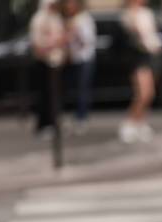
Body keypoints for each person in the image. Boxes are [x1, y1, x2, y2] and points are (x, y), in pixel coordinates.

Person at [119, 0, 161, 143]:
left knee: (150, 93)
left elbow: (152, 34)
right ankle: (129, 123)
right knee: (143, 93)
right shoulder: (128, 14)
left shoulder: (147, 13)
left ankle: (140, 122)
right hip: (137, 57)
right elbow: (133, 32)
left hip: (151, 55)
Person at [29, 0, 66, 140]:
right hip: (44, 62)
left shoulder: (56, 18)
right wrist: (51, 45)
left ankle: (54, 122)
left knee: (55, 95)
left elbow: (61, 36)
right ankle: (43, 124)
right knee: (45, 95)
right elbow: (36, 44)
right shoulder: (39, 19)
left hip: (55, 61)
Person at [62, 0, 96, 136]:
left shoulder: (84, 19)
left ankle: (81, 119)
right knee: (71, 90)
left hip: (84, 59)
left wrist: (74, 32)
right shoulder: (68, 20)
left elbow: (87, 41)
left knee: (83, 90)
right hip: (73, 60)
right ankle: (72, 117)